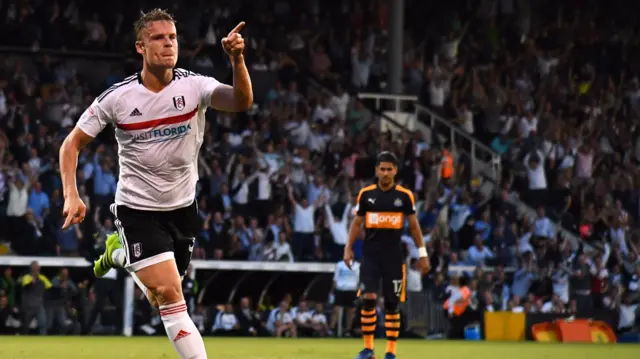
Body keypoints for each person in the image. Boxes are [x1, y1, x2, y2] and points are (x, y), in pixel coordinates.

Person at [59, 9, 252, 359]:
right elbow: (70, 144)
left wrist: (237, 59)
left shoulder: (195, 86)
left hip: (182, 209)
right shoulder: (117, 99)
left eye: (173, 37)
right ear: (140, 47)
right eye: (158, 38)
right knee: (170, 292)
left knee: (160, 296)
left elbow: (241, 101)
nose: (168, 44)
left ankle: (118, 253)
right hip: (138, 211)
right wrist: (72, 194)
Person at [344, 151, 430, 359]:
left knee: (392, 304)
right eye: (382, 169)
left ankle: (390, 351)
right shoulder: (366, 194)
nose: (385, 173)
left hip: (393, 257)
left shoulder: (404, 196)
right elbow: (357, 224)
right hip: (370, 255)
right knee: (369, 299)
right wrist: (348, 248)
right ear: (377, 170)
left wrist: (423, 253)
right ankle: (368, 349)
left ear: (395, 171)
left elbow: (414, 227)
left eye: (389, 169)